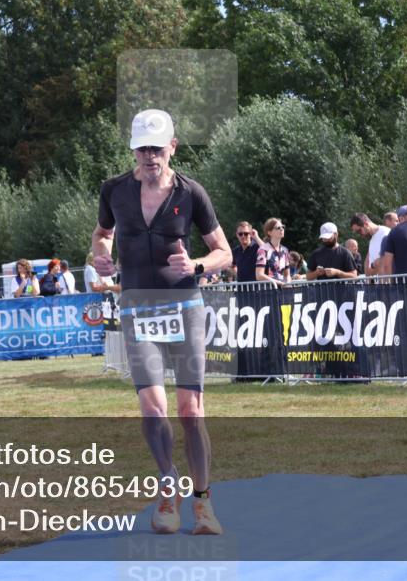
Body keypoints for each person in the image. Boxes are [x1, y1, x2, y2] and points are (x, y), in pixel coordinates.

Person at [91, 108, 231, 536]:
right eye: (141, 149)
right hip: (137, 307)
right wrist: (99, 256)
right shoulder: (113, 190)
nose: (149, 156)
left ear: (172, 147)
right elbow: (101, 235)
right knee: (153, 407)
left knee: (191, 411)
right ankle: (168, 489)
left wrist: (199, 265)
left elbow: (224, 251)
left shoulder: (192, 194)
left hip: (183, 306)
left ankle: (203, 503)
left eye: (157, 148)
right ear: (133, 150)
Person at [255, 218, 290, 285]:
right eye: (278, 228)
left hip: (283, 290)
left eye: (282, 227)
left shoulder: (285, 250)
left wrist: (287, 284)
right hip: (268, 291)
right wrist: (279, 283)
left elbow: (287, 275)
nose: (282, 229)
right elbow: (259, 275)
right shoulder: (263, 250)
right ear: (269, 232)